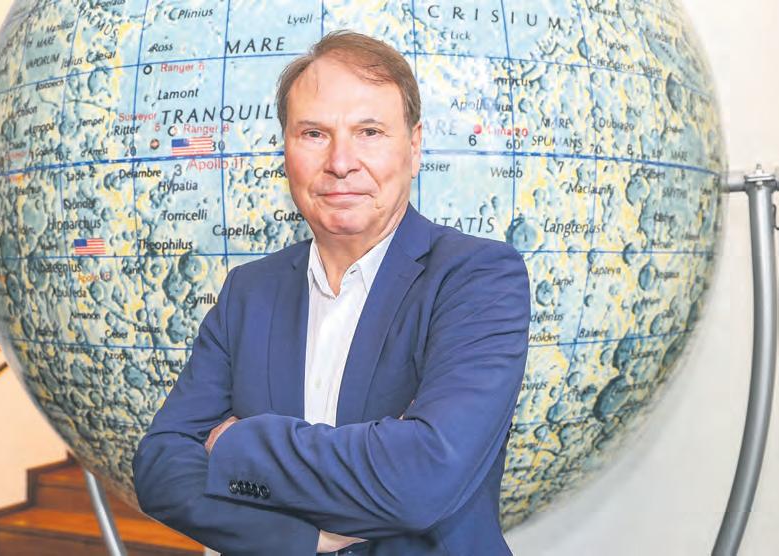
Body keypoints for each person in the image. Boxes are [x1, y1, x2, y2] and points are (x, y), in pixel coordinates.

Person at [133, 30, 530, 556]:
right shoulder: (249, 291)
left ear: (414, 147)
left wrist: (233, 442)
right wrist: (303, 537)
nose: (341, 162)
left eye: (369, 132)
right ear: (285, 149)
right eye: (314, 133)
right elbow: (160, 465)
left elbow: (423, 479)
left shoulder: (477, 277)